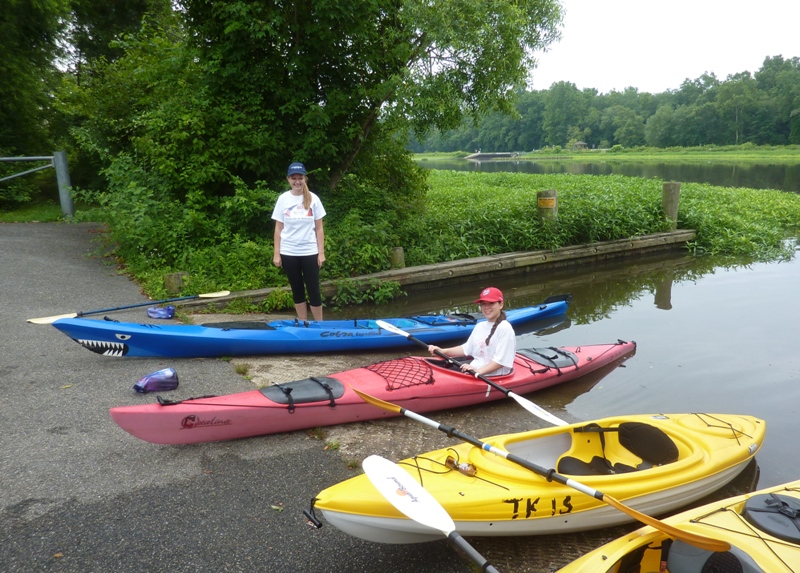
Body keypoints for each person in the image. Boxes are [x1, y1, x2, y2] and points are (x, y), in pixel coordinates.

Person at [272, 162, 326, 321]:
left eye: (300, 178)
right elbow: (278, 229)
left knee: (314, 290)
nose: (297, 181)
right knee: (297, 289)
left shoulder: (314, 199)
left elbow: (319, 229)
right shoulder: (283, 199)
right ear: (288, 179)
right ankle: (303, 324)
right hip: (289, 252)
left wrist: (321, 253)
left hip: (310, 252)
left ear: (305, 179)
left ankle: (320, 325)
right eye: (293, 178)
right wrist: (277, 254)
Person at [428, 287, 516, 376]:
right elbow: (466, 348)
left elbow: (500, 361)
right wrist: (443, 351)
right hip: (473, 369)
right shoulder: (480, 326)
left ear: (501, 304)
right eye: (483, 304)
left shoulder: (505, 328)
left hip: (490, 375)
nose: (486, 307)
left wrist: (478, 371)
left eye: (491, 303)